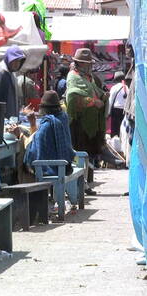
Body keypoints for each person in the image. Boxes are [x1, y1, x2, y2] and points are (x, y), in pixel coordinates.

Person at [66, 48, 107, 196]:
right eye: (86, 63)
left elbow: (94, 91)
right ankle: (79, 186)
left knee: (86, 155)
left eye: (89, 63)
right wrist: (92, 102)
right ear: (79, 64)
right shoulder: (73, 77)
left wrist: (102, 97)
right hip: (78, 123)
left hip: (88, 124)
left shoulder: (87, 77)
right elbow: (72, 98)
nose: (89, 66)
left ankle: (84, 185)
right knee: (79, 155)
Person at [24, 91, 75, 177]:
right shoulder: (63, 117)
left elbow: (34, 151)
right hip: (66, 165)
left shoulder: (47, 125)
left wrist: (31, 125)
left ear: (43, 108)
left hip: (51, 168)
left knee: (21, 161)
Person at [0, 46, 26, 118]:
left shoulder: (11, 73)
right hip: (0, 122)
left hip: (10, 122)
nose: (17, 64)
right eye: (15, 61)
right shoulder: (0, 73)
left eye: (19, 61)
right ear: (9, 59)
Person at [107, 71, 129, 137]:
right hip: (124, 110)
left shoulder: (114, 87)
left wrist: (108, 113)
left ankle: (115, 143)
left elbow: (110, 100)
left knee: (115, 129)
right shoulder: (127, 87)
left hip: (116, 111)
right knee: (123, 129)